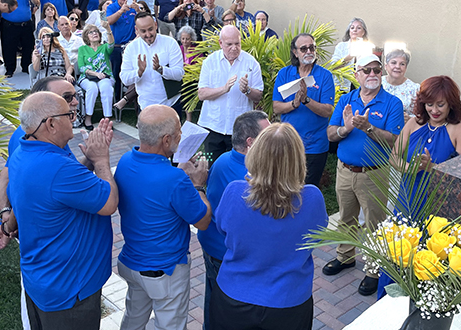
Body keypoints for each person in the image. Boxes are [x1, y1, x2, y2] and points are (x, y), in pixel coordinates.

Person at [0, 76, 105, 330]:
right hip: (67, 285)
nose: (74, 104)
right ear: (47, 118)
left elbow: (51, 184)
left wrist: (8, 224)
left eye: (74, 97)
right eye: (66, 101)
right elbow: (108, 203)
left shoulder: (39, 142)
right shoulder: (36, 148)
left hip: (46, 273)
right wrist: (101, 161)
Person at [210, 123, 328, 330]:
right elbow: (317, 237)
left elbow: (222, 228)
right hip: (288, 301)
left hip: (234, 296)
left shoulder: (235, 192)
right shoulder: (312, 198)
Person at [114, 105, 211, 330]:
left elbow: (152, 187)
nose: (182, 136)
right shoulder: (176, 180)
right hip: (165, 271)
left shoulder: (126, 161)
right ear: (166, 140)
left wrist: (178, 172)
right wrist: (197, 185)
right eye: (179, 132)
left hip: (131, 262)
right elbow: (203, 221)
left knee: (133, 319)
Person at [377, 75, 461, 298]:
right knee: (398, 252)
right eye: (429, 104)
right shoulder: (413, 123)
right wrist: (410, 168)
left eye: (440, 104)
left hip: (437, 206)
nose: (434, 110)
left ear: (452, 103)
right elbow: (394, 158)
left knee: (427, 260)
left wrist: (433, 168)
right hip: (407, 199)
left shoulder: (460, 130)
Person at [323, 54, 404, 296]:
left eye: (376, 70)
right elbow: (330, 134)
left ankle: (372, 270)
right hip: (345, 170)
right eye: (366, 70)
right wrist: (346, 129)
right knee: (346, 218)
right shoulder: (346, 99)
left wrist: (368, 128)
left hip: (374, 174)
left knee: (374, 224)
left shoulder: (392, 103)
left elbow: (396, 140)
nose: (372, 74)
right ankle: (345, 257)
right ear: (357, 74)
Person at [197, 110, 270, 330]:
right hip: (226, 252)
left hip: (215, 246)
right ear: (251, 142)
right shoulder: (250, 174)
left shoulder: (223, 159)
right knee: (227, 307)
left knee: (214, 299)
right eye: (267, 135)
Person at [273, 33, 335, 187]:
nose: (309, 51)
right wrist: (293, 104)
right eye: (304, 48)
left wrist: (306, 100)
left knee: (308, 189)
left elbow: (327, 111)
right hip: (288, 143)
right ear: (295, 52)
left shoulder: (325, 76)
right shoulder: (284, 74)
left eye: (312, 47)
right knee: (286, 187)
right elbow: (276, 107)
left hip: (315, 145)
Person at [198, 25, 263, 163]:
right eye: (229, 44)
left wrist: (247, 90)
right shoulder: (210, 62)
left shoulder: (251, 62)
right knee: (212, 164)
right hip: (213, 125)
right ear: (221, 43)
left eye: (237, 44)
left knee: (238, 167)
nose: (234, 48)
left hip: (240, 129)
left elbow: (258, 96)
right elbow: (202, 94)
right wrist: (224, 88)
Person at [120, 12, 184, 111]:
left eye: (150, 29)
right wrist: (139, 72)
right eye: (143, 31)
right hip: (145, 104)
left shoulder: (170, 43)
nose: (148, 34)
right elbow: (125, 78)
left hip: (171, 103)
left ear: (155, 25)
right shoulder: (131, 48)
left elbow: (179, 74)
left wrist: (161, 69)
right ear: (136, 30)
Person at [0, 0, 40, 77]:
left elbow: (38, 2)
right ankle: (10, 69)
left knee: (28, 47)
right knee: (8, 48)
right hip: (9, 25)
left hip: (26, 24)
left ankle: (26, 67)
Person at [107, 0, 141, 98]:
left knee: (136, 72)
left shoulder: (134, 7)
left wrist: (139, 11)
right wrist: (121, 11)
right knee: (116, 73)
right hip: (117, 46)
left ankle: (134, 98)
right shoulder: (112, 7)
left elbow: (145, 21)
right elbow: (108, 21)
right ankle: (118, 99)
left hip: (132, 45)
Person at [78, 24, 115, 130]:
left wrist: (108, 29)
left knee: (105, 86)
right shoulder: (82, 49)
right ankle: (88, 117)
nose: (94, 33)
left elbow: (111, 44)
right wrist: (96, 74)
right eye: (91, 32)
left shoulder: (104, 47)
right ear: (86, 36)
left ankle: (107, 118)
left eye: (96, 31)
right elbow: (81, 68)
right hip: (87, 77)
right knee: (92, 88)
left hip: (105, 77)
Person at [331, 18, 374, 91]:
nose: (355, 30)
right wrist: (350, 56)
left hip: (360, 86)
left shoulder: (367, 47)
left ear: (363, 32)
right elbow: (334, 66)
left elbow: (369, 67)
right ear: (349, 31)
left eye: (359, 28)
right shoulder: (341, 46)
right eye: (352, 28)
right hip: (342, 86)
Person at [382, 49, 421, 123]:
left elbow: (422, 114)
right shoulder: (378, 84)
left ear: (406, 68)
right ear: (386, 66)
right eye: (393, 63)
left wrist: (410, 119)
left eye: (402, 64)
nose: (397, 66)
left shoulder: (414, 89)